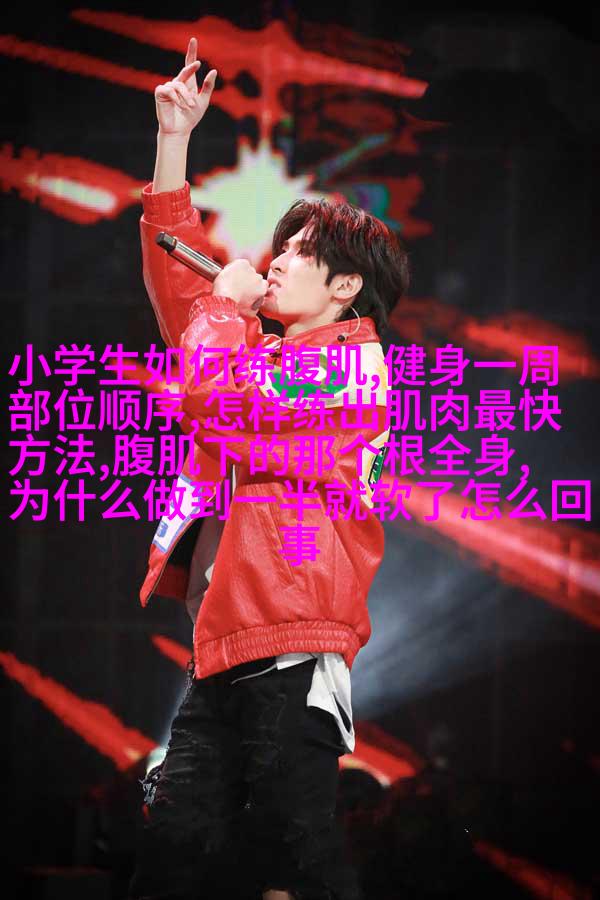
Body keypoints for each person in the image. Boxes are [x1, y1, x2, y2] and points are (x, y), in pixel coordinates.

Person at [128, 36, 409, 900]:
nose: (276, 259)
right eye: (277, 248)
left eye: (300, 252)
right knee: (178, 850)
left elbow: (210, 397)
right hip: (226, 641)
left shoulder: (355, 370)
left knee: (297, 853)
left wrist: (224, 309)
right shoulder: (267, 355)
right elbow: (185, 300)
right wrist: (175, 139)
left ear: (346, 288)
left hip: (291, 641)